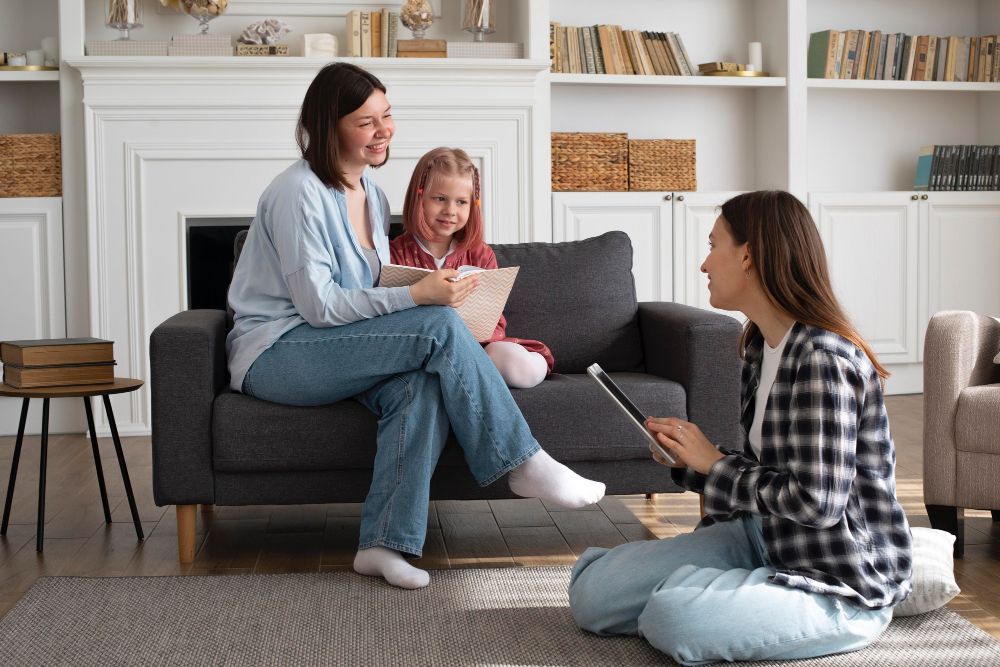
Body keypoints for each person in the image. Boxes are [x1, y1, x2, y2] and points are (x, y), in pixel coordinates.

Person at [226, 63, 604, 590]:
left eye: (387, 115)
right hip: (279, 352)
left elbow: (369, 290)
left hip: (333, 347)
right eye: (366, 121)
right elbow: (318, 307)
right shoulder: (297, 194)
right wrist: (417, 295)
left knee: (421, 384)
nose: (384, 131)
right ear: (329, 125)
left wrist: (419, 293)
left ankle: (383, 544)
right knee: (435, 324)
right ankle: (522, 461)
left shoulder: (373, 196)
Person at [568, 191, 912, 665]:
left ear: (748, 255)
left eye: (713, 245)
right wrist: (689, 462)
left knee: (674, 617)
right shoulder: (759, 346)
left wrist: (715, 462)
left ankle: (713, 597)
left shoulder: (822, 361)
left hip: (836, 577)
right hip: (762, 535)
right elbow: (758, 471)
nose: (704, 264)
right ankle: (726, 593)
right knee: (594, 596)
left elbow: (817, 502)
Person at [390, 147, 553, 388]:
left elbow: (494, 321)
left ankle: (506, 367)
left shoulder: (480, 254)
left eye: (461, 202)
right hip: (420, 349)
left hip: (478, 347)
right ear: (419, 197)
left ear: (472, 205)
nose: (450, 211)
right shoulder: (395, 252)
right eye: (440, 199)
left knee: (521, 368)